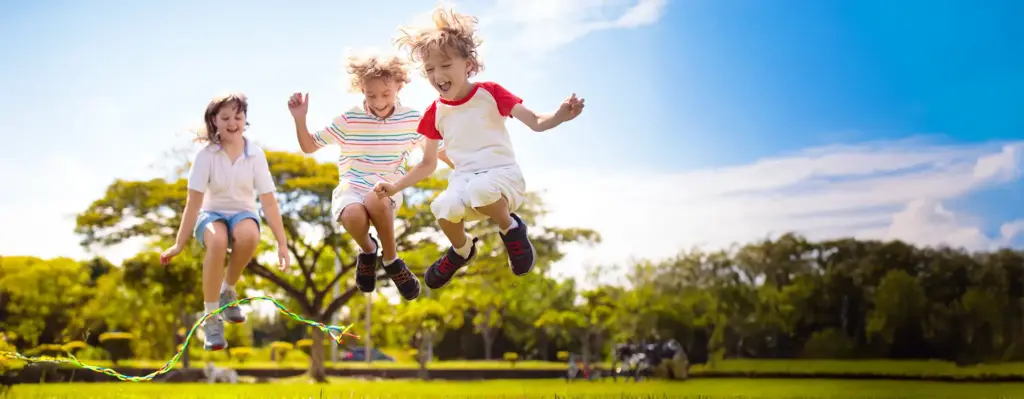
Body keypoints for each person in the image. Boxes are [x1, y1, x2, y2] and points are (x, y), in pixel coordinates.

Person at [380, 6, 585, 289]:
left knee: (481, 189)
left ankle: (511, 229)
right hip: (465, 183)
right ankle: (462, 250)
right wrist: (395, 187)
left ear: (468, 65)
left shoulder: (490, 93)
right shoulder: (435, 112)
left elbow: (536, 121)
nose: (437, 74)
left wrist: (561, 115)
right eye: (430, 69)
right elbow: (427, 163)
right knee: (442, 205)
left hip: (502, 178)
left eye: (445, 64)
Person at [288, 51, 448, 300]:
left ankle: (392, 260)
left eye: (386, 94)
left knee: (376, 198)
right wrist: (300, 119)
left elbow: (438, 152)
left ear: (399, 86)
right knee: (352, 213)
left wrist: (469, 166)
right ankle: (368, 250)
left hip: (388, 188)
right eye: (370, 94)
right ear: (361, 89)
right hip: (352, 186)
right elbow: (309, 147)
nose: (378, 101)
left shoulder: (412, 119)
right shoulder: (349, 119)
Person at [160, 93, 291, 351]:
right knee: (218, 240)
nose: (233, 123)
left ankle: (227, 291)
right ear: (214, 121)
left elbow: (268, 202)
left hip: (243, 212)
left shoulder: (255, 155)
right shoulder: (205, 155)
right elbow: (194, 203)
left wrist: (282, 243)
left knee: (250, 236)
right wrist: (178, 244)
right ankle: (211, 320)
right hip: (211, 214)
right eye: (226, 117)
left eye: (238, 117)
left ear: (245, 120)